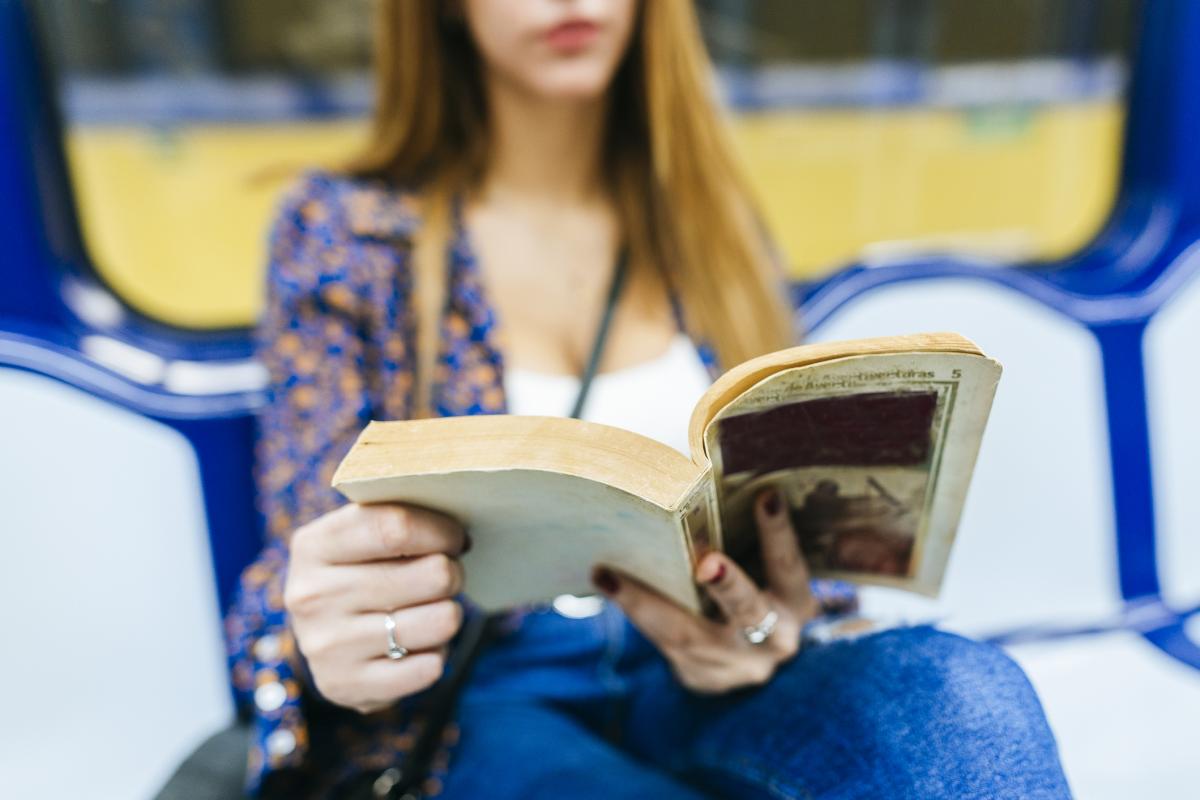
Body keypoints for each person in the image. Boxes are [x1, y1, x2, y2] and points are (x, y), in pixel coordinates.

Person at [225, 1, 1073, 798]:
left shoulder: (712, 222)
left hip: (707, 670)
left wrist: (770, 621)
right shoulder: (349, 231)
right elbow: (302, 548)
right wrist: (324, 639)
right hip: (485, 694)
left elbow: (784, 518)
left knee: (964, 696)